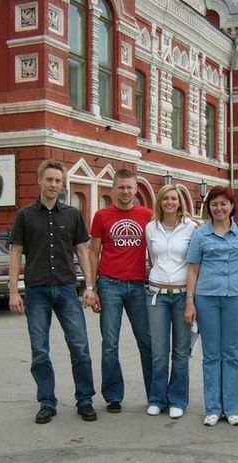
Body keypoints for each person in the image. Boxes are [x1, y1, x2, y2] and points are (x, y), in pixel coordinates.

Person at [9, 160, 99, 424]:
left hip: (66, 290)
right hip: (36, 292)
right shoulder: (25, 215)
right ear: (40, 181)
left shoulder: (72, 215)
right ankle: (47, 402)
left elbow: (83, 251)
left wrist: (90, 287)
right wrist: (14, 291)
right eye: (49, 180)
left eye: (58, 181)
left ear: (63, 185)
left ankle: (85, 400)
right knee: (40, 350)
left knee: (80, 347)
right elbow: (15, 253)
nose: (53, 185)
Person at [185, 186, 238, 427]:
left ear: (232, 206)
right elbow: (193, 269)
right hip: (207, 297)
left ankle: (232, 408)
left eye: (224, 203)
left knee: (232, 353)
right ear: (209, 208)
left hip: (237, 297)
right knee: (211, 354)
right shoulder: (200, 235)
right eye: (214, 204)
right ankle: (213, 407)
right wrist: (189, 301)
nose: (219, 208)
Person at [89, 169, 153, 413]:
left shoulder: (147, 215)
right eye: (121, 187)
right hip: (109, 284)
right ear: (113, 190)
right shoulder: (102, 216)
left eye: (130, 187)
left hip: (138, 285)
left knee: (146, 341)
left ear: (136, 189)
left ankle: (154, 395)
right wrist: (92, 288)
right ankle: (113, 396)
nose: (126, 192)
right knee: (110, 343)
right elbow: (94, 252)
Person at [145, 185, 197, 419]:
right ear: (160, 202)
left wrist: (191, 299)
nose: (169, 202)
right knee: (158, 352)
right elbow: (153, 258)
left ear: (180, 202)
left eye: (174, 198)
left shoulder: (191, 228)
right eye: (165, 198)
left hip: (181, 294)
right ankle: (157, 398)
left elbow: (195, 263)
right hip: (157, 294)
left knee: (180, 351)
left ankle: (177, 399)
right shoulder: (151, 227)